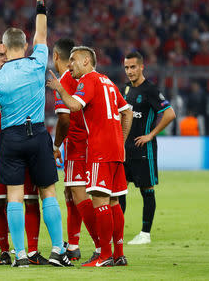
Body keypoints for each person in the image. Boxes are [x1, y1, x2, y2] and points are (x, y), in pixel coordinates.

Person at [0, 0, 72, 268]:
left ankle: (19, 255)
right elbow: (42, 33)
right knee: (48, 193)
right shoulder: (37, 63)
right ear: (25, 44)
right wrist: (41, 3)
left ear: (4, 48)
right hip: (37, 135)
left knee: (15, 196)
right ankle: (58, 250)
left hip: (10, 137)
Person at [47, 46, 133, 267]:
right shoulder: (108, 81)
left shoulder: (89, 80)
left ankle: (104, 255)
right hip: (115, 151)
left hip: (99, 150)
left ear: (86, 61)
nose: (70, 65)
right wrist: (121, 140)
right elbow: (127, 112)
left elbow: (74, 105)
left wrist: (59, 89)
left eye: (74, 60)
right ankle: (119, 253)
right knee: (114, 201)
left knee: (99, 201)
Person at [0, 41, 47, 266]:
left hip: (19, 142)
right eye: (0, 56)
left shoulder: (22, 76)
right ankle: (5, 251)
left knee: (30, 199)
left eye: (6, 55)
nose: (4, 59)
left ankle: (31, 251)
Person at [52, 38, 100, 262]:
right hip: (87, 141)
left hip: (79, 143)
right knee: (70, 193)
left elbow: (64, 118)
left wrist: (56, 144)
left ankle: (101, 246)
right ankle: (73, 245)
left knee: (79, 193)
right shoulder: (86, 78)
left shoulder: (64, 80)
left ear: (55, 57)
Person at [120, 51, 176, 245]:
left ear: (142, 67)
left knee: (147, 190)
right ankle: (117, 231)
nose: (129, 71)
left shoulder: (150, 89)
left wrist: (151, 135)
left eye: (133, 67)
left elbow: (169, 114)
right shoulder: (125, 90)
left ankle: (145, 234)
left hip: (144, 149)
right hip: (125, 149)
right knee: (119, 191)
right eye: (126, 67)